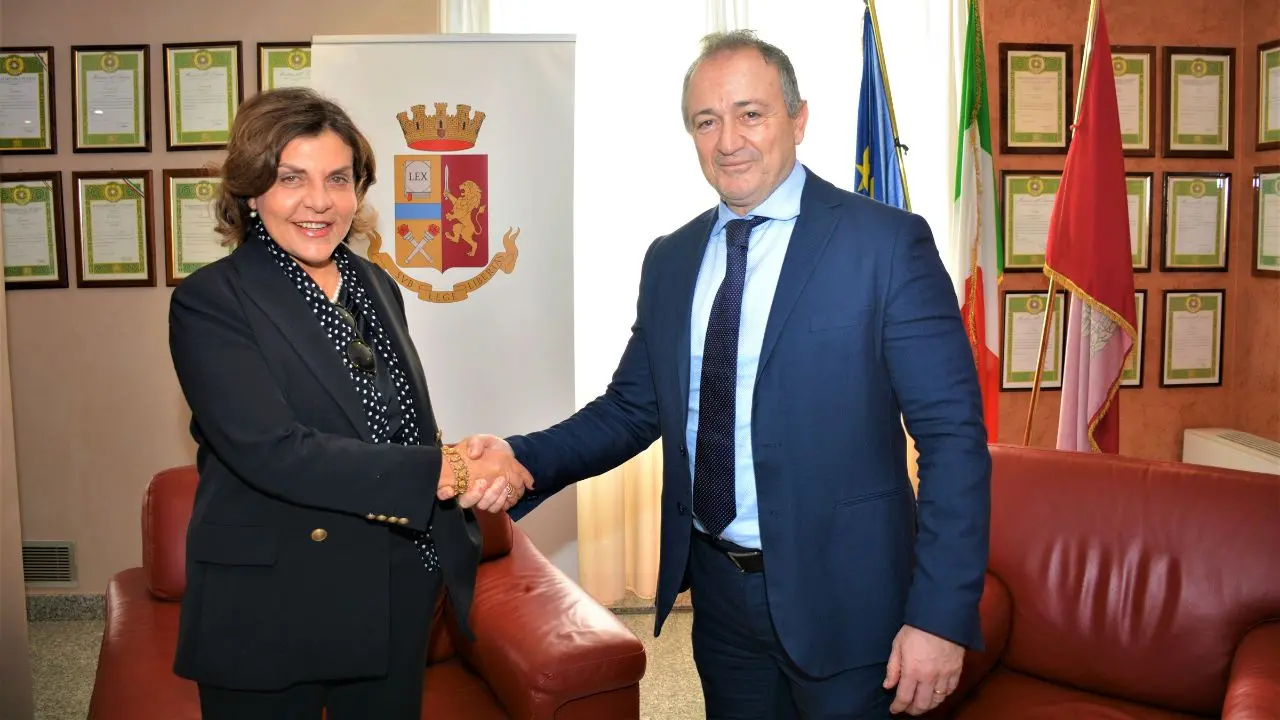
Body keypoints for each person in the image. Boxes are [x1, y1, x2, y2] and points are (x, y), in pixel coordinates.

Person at [465, 30, 991, 719]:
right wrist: (520, 458)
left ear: (798, 119)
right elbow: (630, 409)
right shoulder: (671, 259)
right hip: (720, 601)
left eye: (751, 114)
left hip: (852, 604)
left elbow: (953, 439)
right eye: (706, 121)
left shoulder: (886, 245)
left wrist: (940, 616)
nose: (728, 141)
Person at [167, 86, 523, 720]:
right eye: (291, 178)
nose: (319, 201)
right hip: (272, 602)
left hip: (391, 590)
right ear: (251, 192)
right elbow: (273, 450)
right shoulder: (212, 301)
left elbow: (395, 424)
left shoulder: (375, 282)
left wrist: (460, 465)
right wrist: (446, 470)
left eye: (338, 179)